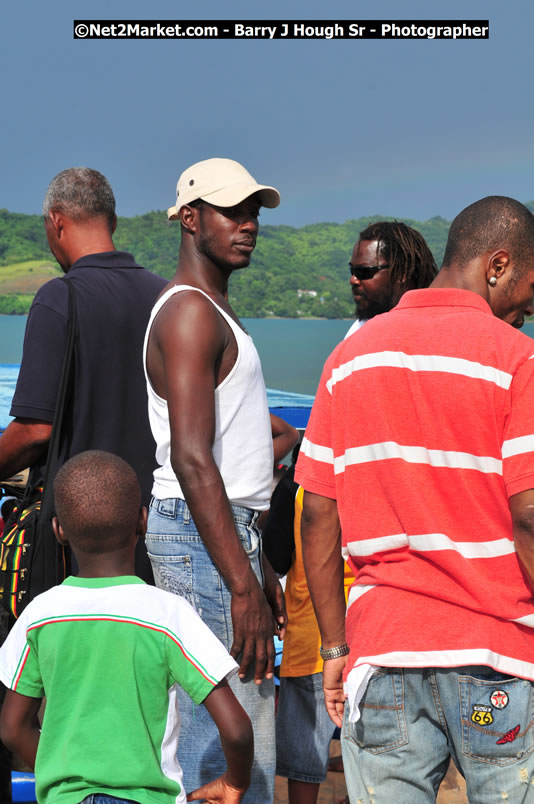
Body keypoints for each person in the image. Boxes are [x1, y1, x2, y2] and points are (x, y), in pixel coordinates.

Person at [296, 196, 534, 802]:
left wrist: (332, 647)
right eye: (530, 286)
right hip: (498, 660)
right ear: (497, 265)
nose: (530, 307)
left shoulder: (348, 360)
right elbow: (528, 515)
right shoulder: (517, 360)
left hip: (383, 653)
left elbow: (319, 512)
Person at [144, 157, 287, 803]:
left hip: (222, 532)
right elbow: (192, 458)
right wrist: (240, 585)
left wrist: (254, 568)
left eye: (254, 211)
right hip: (203, 532)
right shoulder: (190, 314)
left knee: (237, 725)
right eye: (233, 211)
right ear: (190, 218)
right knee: (227, 735)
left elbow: (226, 458)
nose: (249, 224)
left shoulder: (211, 310)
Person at [0, 450, 253, 804]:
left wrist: (66, 769)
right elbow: (237, 731)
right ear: (142, 521)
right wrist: (234, 782)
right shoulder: (168, 615)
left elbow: (13, 729)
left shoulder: (39, 616)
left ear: (58, 529)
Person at [0, 168, 166, 581]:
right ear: (111, 221)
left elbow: (36, 430)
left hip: (80, 541)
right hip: (156, 529)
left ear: (56, 221)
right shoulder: (167, 296)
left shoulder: (60, 296)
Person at [345, 220, 438, 338]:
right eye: (352, 271)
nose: (353, 280)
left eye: (364, 272)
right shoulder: (358, 330)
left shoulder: (435, 332)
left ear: (402, 272)